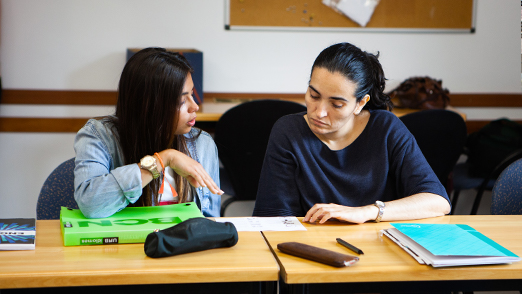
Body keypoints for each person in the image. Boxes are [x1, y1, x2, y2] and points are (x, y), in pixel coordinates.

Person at [253, 42, 451, 224]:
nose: (319, 112)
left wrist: (366, 212)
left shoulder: (386, 128)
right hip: (313, 249)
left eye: (336, 104)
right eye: (313, 95)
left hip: (379, 246)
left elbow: (438, 201)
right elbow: (273, 218)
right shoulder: (288, 132)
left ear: (360, 104)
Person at [74, 47, 223, 219]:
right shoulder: (98, 135)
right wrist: (163, 160)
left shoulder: (202, 143)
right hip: (122, 244)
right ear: (150, 105)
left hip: (185, 245)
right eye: (182, 100)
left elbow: (211, 221)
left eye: (191, 94)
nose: (195, 106)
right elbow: (91, 205)